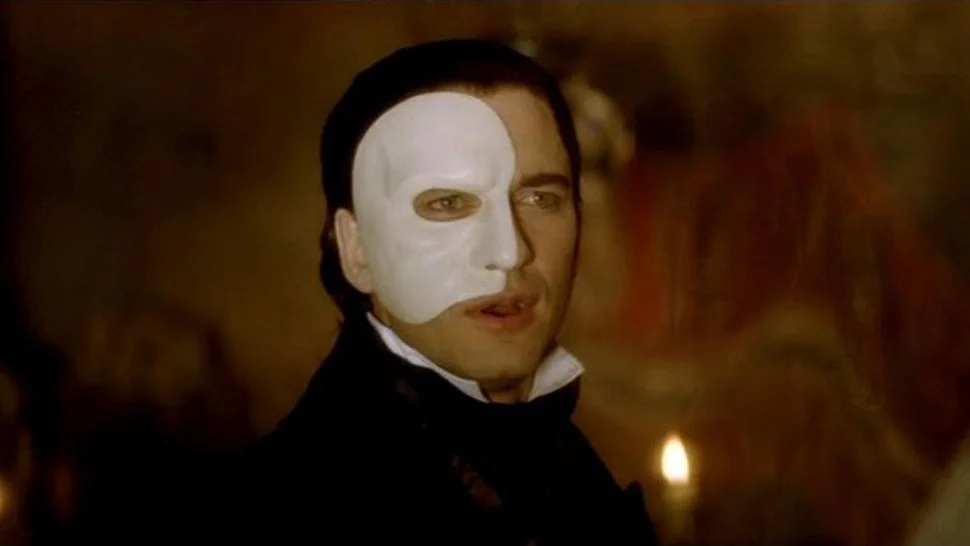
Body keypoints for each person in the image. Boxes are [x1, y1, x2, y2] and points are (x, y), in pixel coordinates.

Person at [215, 39, 657, 545]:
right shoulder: (285, 506)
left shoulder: (570, 469)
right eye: (447, 204)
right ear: (357, 250)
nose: (509, 252)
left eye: (539, 198)